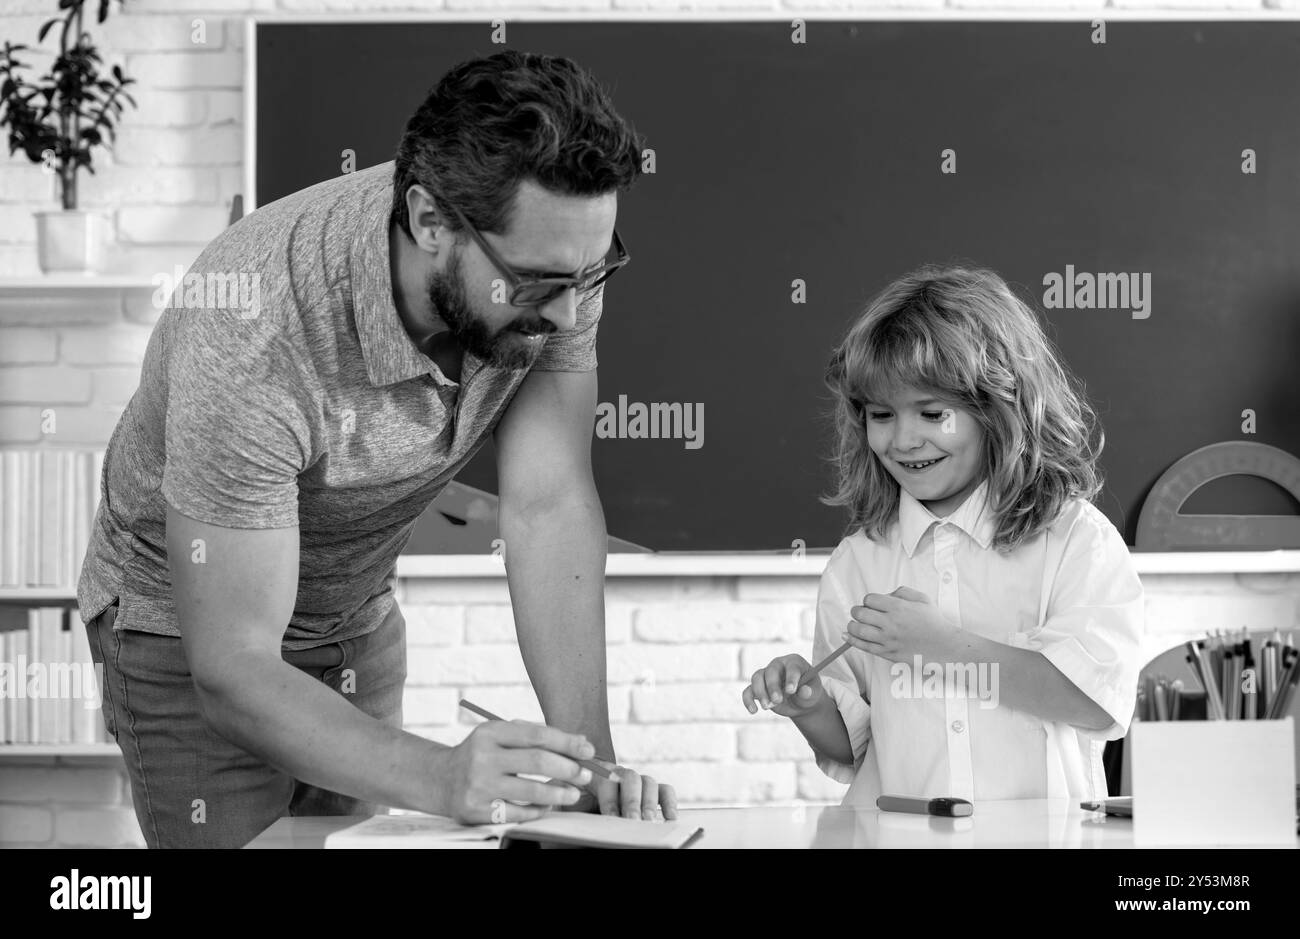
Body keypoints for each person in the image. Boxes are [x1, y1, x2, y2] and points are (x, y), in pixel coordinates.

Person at [78, 51, 675, 848]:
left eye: (591, 276)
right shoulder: (254, 327)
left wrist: (590, 764)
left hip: (354, 616)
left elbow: (549, 501)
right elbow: (233, 665)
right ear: (432, 222)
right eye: (537, 286)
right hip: (186, 639)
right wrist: (441, 776)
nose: (569, 317)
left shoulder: (553, 259)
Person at [742, 264, 1143, 804]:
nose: (904, 439)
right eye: (881, 414)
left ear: (999, 410)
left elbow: (1094, 700)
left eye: (933, 413)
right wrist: (811, 705)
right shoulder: (859, 560)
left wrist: (939, 646)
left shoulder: (1074, 540)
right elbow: (854, 748)